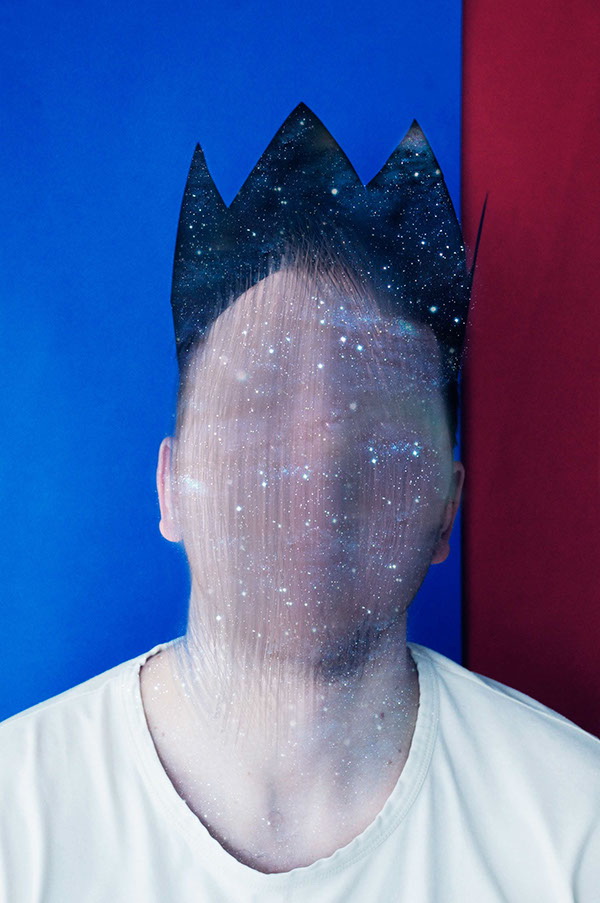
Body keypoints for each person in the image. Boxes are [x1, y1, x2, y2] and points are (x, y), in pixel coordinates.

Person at [0, 105, 598, 902]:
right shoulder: (15, 825)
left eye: (378, 419)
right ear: (171, 485)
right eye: (258, 405)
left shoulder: (577, 833)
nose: (318, 469)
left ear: (445, 509)